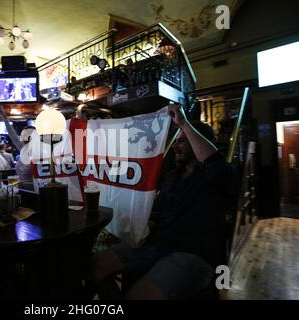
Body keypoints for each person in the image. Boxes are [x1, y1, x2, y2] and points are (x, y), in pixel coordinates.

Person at [88, 104, 232, 300]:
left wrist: (185, 124)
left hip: (192, 252)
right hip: (158, 244)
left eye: (182, 141)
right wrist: (146, 225)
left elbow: (216, 164)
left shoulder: (214, 177)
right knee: (93, 267)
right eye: (175, 141)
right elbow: (158, 211)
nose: (175, 145)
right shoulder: (173, 176)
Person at [0, 106, 36, 186]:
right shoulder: (24, 148)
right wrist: (5, 117)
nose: (21, 137)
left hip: (35, 188)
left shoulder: (39, 152)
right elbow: (12, 134)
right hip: (22, 186)